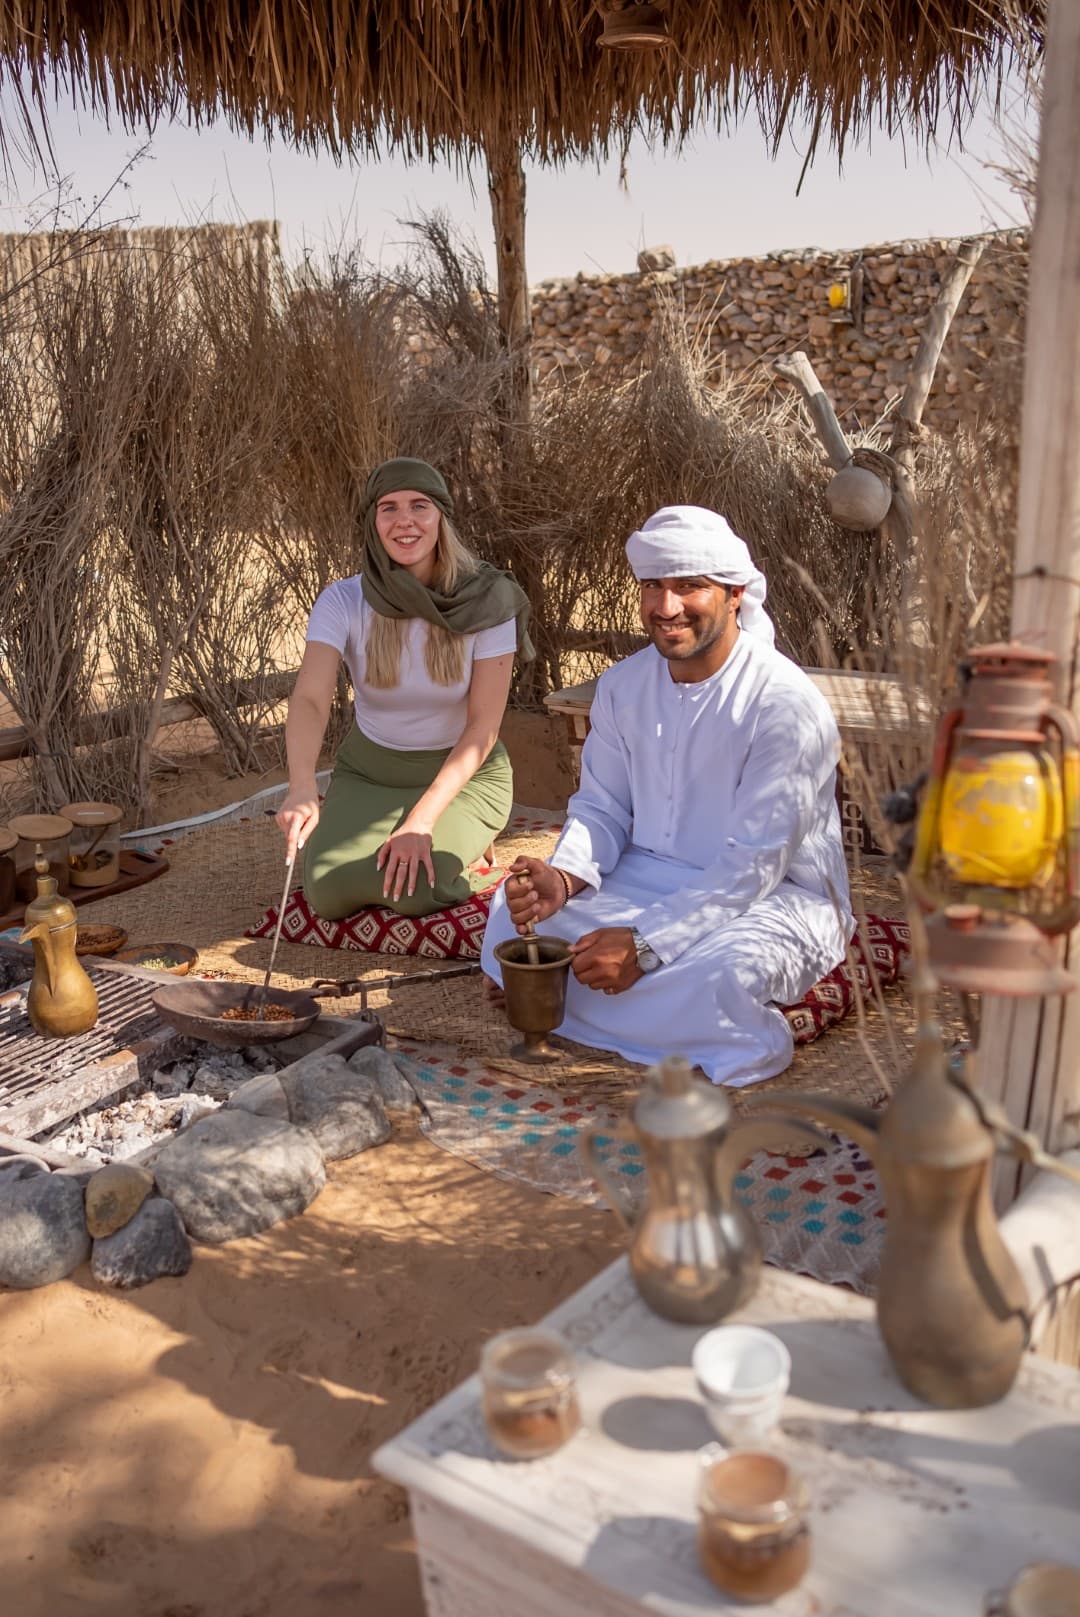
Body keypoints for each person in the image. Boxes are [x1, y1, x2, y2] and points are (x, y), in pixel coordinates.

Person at [481, 505, 853, 1087]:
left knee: (718, 979)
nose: (666, 607)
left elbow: (754, 864)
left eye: (689, 586)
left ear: (733, 595)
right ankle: (598, 1002)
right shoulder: (624, 686)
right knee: (509, 914)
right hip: (643, 875)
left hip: (777, 898)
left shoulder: (785, 705)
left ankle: (567, 1000)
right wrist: (567, 877)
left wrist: (646, 945)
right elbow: (602, 807)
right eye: (653, 586)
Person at [277, 457, 532, 918]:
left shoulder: (488, 600)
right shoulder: (343, 600)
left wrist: (423, 820)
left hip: (464, 776)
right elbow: (311, 698)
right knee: (329, 892)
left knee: (414, 888)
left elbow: (482, 728)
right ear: (373, 522)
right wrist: (300, 787)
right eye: (388, 508)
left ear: (441, 517)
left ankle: (471, 843)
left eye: (419, 506)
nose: (404, 521)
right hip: (370, 771)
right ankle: (428, 837)